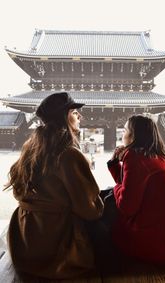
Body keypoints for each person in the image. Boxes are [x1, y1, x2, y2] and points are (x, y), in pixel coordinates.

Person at [4, 92, 104, 280]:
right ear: (64, 116)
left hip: (24, 242)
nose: (79, 116)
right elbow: (89, 211)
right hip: (56, 248)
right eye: (74, 112)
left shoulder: (30, 147)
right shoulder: (68, 154)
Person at [107, 114, 165, 266]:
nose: (122, 134)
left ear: (133, 135)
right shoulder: (161, 156)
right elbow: (132, 187)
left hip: (163, 242)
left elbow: (127, 206)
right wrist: (115, 164)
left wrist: (116, 186)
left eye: (124, 130)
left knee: (108, 204)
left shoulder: (134, 156)